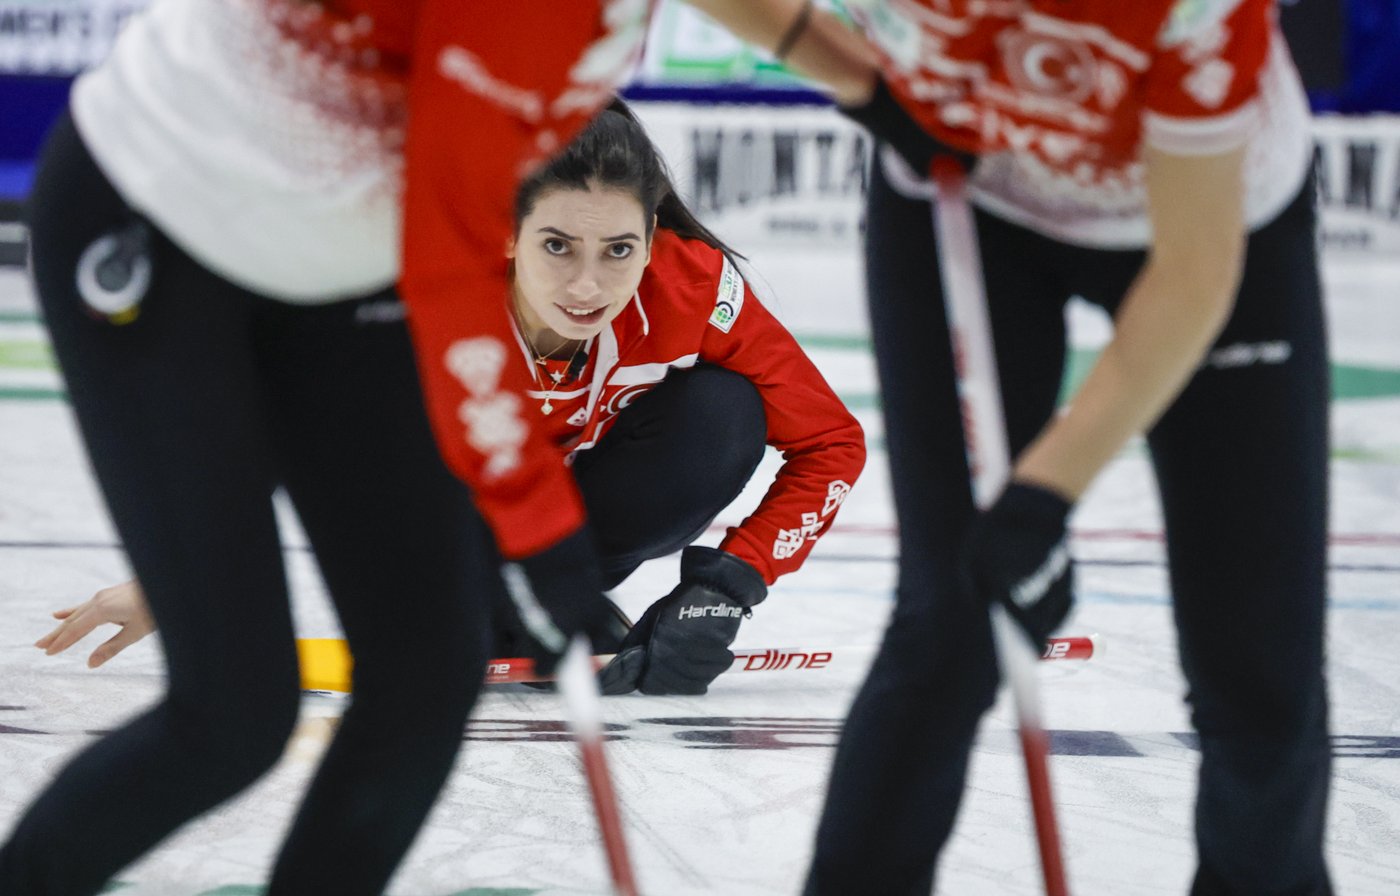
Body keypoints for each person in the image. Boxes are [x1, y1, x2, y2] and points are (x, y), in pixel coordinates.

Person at [3, 2, 664, 894]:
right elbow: (454, 254)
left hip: (347, 255)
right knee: (233, 716)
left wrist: (860, 80)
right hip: (166, 211)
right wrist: (534, 517)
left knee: (427, 679)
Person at [691, 1, 1332, 894]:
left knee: (1257, 659)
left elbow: (1192, 273)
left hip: (1208, 218)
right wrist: (859, 79)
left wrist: (1042, 498)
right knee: (953, 617)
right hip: (961, 183)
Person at [36, 101, 866, 698]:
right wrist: (177, 582)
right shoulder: (424, 286)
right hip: (442, 512)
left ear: (654, 241)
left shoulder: (696, 289)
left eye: (620, 250)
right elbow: (284, 426)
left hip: (579, 519)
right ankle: (488, 598)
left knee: (725, 414)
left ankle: (555, 594)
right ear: (507, 232)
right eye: (556, 246)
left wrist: (727, 583)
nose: (588, 284)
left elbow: (833, 443)